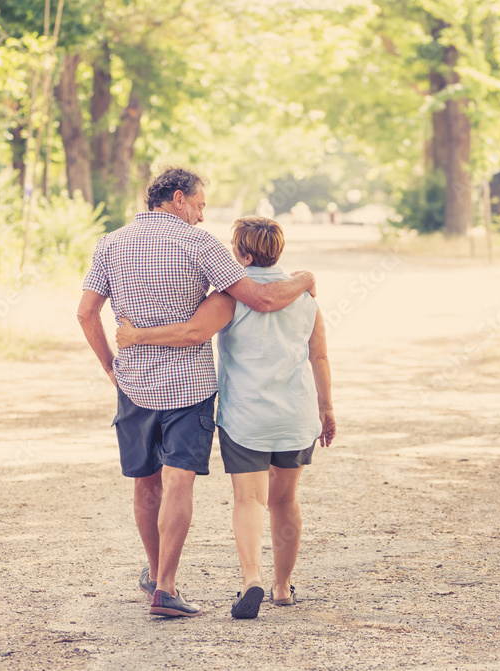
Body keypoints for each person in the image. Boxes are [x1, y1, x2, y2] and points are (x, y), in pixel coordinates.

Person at [77, 168, 317, 618]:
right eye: (202, 206)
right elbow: (261, 298)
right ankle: (166, 586)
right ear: (180, 199)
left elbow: (86, 312)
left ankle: (155, 576)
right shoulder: (199, 245)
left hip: (133, 384)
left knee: (144, 483)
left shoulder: (110, 242)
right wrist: (304, 279)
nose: (204, 217)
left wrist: (112, 366)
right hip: (188, 387)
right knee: (177, 480)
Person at [116, 216, 335, 620]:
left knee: (249, 500)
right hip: (296, 416)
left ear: (243, 254)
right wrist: (327, 409)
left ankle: (251, 578)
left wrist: (136, 337)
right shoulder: (306, 298)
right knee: (285, 500)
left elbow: (191, 333)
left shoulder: (230, 298)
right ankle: (283, 588)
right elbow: (318, 356)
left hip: (246, 419)